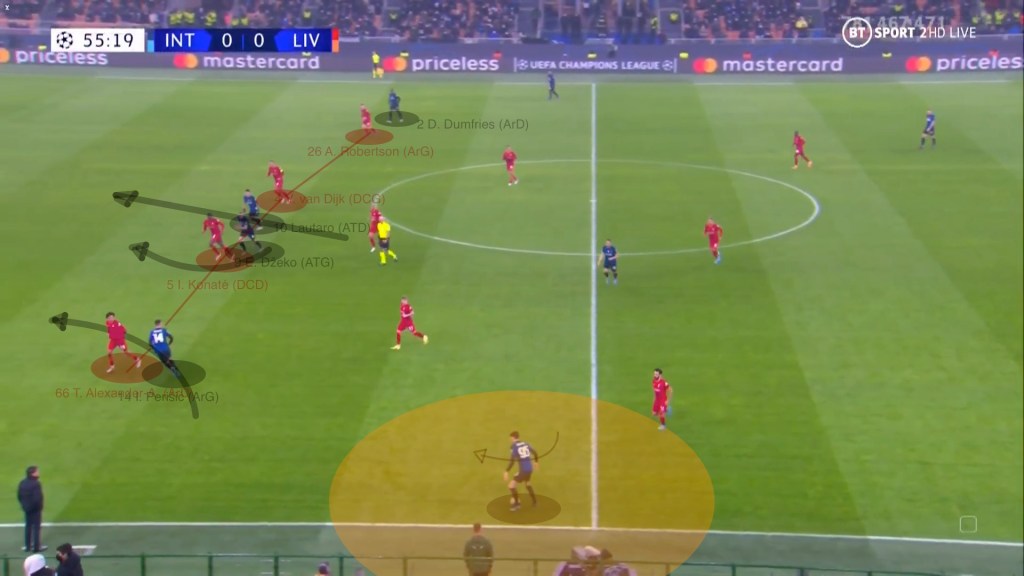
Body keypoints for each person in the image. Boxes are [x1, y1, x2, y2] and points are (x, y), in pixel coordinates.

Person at [503, 431, 538, 511]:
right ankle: (535, 502)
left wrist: (506, 471)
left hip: (523, 471)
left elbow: (512, 461)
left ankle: (517, 504)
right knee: (527, 483)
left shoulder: (514, 447)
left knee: (511, 486)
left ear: (512, 438)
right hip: (529, 469)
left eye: (510, 438)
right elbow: (535, 452)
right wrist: (536, 462)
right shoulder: (526, 444)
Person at [17, 467, 45, 552]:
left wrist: (24, 505)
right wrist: (40, 507)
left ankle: (27, 546)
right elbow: (37, 498)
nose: (38, 473)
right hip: (35, 509)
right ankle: (36, 547)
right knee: (36, 528)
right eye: (37, 472)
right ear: (32, 473)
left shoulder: (22, 482)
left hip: (27, 508)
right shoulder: (36, 483)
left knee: (28, 527)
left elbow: (19, 496)